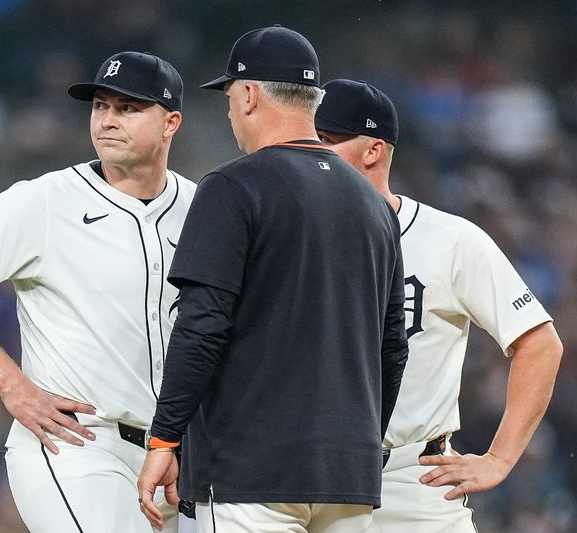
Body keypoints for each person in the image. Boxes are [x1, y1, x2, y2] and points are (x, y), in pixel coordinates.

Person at [0, 51, 196, 533]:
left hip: (172, 459)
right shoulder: (46, 200)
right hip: (76, 447)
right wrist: (11, 384)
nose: (108, 120)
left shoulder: (199, 207)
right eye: (100, 105)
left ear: (170, 123)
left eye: (128, 108)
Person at [136, 26, 408, 533]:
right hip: (347, 474)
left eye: (230, 97)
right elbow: (393, 348)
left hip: (251, 471)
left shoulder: (231, 187)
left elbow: (201, 327)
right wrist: (358, 444)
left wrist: (165, 439)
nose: (231, 111)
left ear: (249, 94)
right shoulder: (374, 204)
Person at [314, 79, 563, 532]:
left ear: (372, 151)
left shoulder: (449, 240)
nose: (311, 154)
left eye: (326, 141)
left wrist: (498, 458)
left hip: (416, 481)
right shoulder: (288, 241)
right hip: (312, 481)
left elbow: (540, 344)